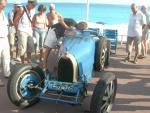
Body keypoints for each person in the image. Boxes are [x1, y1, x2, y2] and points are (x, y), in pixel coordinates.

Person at [0, 0, 11, 87]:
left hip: (5, 38)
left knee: (6, 57)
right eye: (4, 3)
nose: (6, 4)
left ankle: (7, 73)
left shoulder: (3, 12)